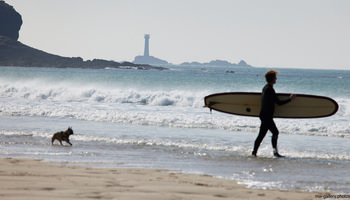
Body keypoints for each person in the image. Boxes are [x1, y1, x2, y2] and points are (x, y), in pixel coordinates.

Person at [252, 70, 296, 157]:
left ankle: (254, 153)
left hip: (264, 115)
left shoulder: (265, 88)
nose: (276, 78)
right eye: (275, 77)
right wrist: (290, 99)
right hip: (267, 116)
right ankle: (275, 153)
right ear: (272, 78)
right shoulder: (270, 90)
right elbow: (279, 103)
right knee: (275, 132)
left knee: (262, 135)